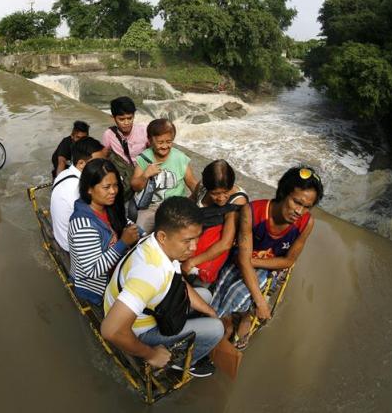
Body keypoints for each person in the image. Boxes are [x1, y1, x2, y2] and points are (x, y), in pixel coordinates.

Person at [101, 197, 224, 377]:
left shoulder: (158, 244)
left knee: (205, 296)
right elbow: (110, 330)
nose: (194, 247)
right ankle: (183, 363)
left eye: (197, 238)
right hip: (137, 330)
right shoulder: (150, 273)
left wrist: (210, 311)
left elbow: (176, 280)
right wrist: (151, 354)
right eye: (187, 241)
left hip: (146, 309)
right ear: (163, 237)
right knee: (216, 329)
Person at [210, 166, 323, 350]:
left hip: (268, 265)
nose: (300, 212)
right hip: (240, 259)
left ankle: (242, 318)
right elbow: (241, 259)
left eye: (307, 207)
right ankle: (223, 323)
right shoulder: (252, 212)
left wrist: (250, 261)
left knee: (240, 295)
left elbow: (288, 261)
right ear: (283, 193)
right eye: (296, 202)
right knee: (220, 292)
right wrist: (261, 302)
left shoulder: (307, 223)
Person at [68, 159, 140, 305]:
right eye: (106, 187)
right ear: (89, 189)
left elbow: (124, 222)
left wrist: (144, 233)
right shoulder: (83, 225)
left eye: (115, 185)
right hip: (95, 290)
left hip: (114, 273)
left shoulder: (106, 206)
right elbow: (93, 270)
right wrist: (123, 243)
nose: (113, 191)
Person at [182, 160, 249, 285]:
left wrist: (192, 262)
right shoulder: (202, 186)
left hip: (210, 253)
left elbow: (225, 243)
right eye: (215, 194)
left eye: (225, 192)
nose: (221, 198)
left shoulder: (237, 201)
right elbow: (189, 205)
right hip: (191, 239)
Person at [130, 119, 197, 233]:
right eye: (160, 142)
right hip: (151, 207)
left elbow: (192, 184)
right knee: (139, 234)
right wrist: (145, 174)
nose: (165, 146)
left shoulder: (180, 158)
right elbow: (135, 186)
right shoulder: (144, 158)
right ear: (150, 140)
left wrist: (196, 203)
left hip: (176, 208)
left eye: (169, 142)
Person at [50, 137, 105, 252]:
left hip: (62, 236)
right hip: (72, 246)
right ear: (81, 164)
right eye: (98, 163)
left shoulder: (64, 174)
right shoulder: (81, 188)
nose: (102, 167)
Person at [102, 96, 149, 202]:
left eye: (130, 118)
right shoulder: (109, 135)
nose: (126, 122)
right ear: (113, 118)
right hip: (123, 180)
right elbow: (102, 158)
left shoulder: (144, 131)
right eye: (121, 119)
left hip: (142, 177)